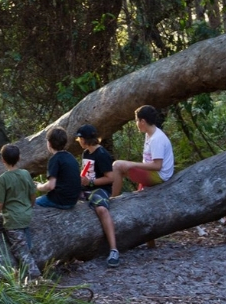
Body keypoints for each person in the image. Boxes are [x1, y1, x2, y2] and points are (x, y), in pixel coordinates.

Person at [0, 144, 42, 279]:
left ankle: (36, 276)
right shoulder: (25, 174)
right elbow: (33, 194)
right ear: (19, 158)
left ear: (2, 160)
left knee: (21, 250)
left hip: (14, 220)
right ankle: (0, 224)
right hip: (25, 214)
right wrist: (30, 206)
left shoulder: (3, 179)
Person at [76, 124, 120, 268]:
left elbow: (111, 178)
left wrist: (92, 182)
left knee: (101, 209)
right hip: (86, 187)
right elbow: (86, 172)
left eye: (80, 138)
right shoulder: (86, 153)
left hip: (100, 189)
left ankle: (114, 249)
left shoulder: (101, 155)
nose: (79, 140)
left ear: (85, 139)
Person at [111, 105, 175, 197]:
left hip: (159, 176)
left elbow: (157, 166)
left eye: (137, 120)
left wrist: (132, 164)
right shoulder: (149, 134)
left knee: (117, 166)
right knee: (120, 168)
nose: (136, 123)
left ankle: (112, 199)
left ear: (143, 121)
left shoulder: (157, 139)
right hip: (153, 173)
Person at [35, 127, 81, 209]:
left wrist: (39, 186)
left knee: (33, 204)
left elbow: (51, 186)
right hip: (73, 200)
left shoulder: (54, 159)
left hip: (61, 201)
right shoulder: (71, 157)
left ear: (49, 143)